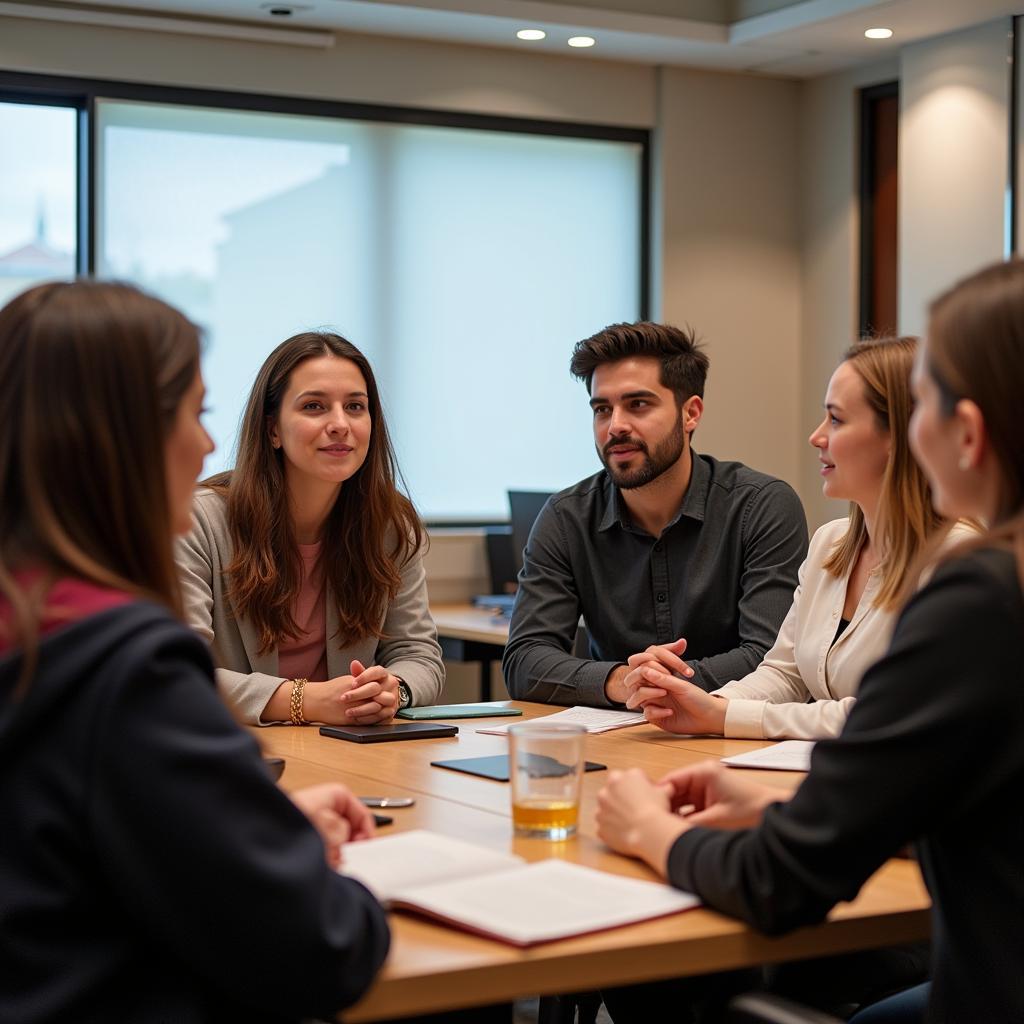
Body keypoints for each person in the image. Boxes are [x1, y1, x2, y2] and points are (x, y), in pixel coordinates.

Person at [596, 258, 1024, 1024]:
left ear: (964, 430)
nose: (815, 435)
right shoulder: (913, 563)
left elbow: (782, 881)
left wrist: (650, 831)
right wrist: (768, 802)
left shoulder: (981, 595)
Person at [0, 281, 389, 1022]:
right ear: (119, 436)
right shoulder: (126, 664)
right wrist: (331, 877)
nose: (209, 443)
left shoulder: (34, 620)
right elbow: (321, 946)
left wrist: (245, 830)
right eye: (195, 413)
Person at [626, 336, 961, 741]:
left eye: (836, 420)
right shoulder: (831, 544)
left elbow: (890, 712)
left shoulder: (958, 560)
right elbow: (784, 674)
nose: (817, 437)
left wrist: (725, 717)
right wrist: (701, 703)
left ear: (900, 436)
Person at [503, 321, 808, 708]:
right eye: (602, 409)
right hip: (622, 739)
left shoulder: (761, 506)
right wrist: (618, 681)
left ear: (690, 413)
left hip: (739, 737)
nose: (615, 426)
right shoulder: (567, 518)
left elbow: (771, 658)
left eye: (638, 405)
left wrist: (654, 683)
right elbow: (524, 661)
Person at [176, 331, 444, 726]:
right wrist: (306, 700)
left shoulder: (390, 525)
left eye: (355, 406)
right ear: (272, 429)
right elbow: (180, 672)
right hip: (241, 752)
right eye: (314, 406)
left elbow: (419, 653)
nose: (339, 424)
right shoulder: (197, 521)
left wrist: (393, 688)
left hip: (350, 752)